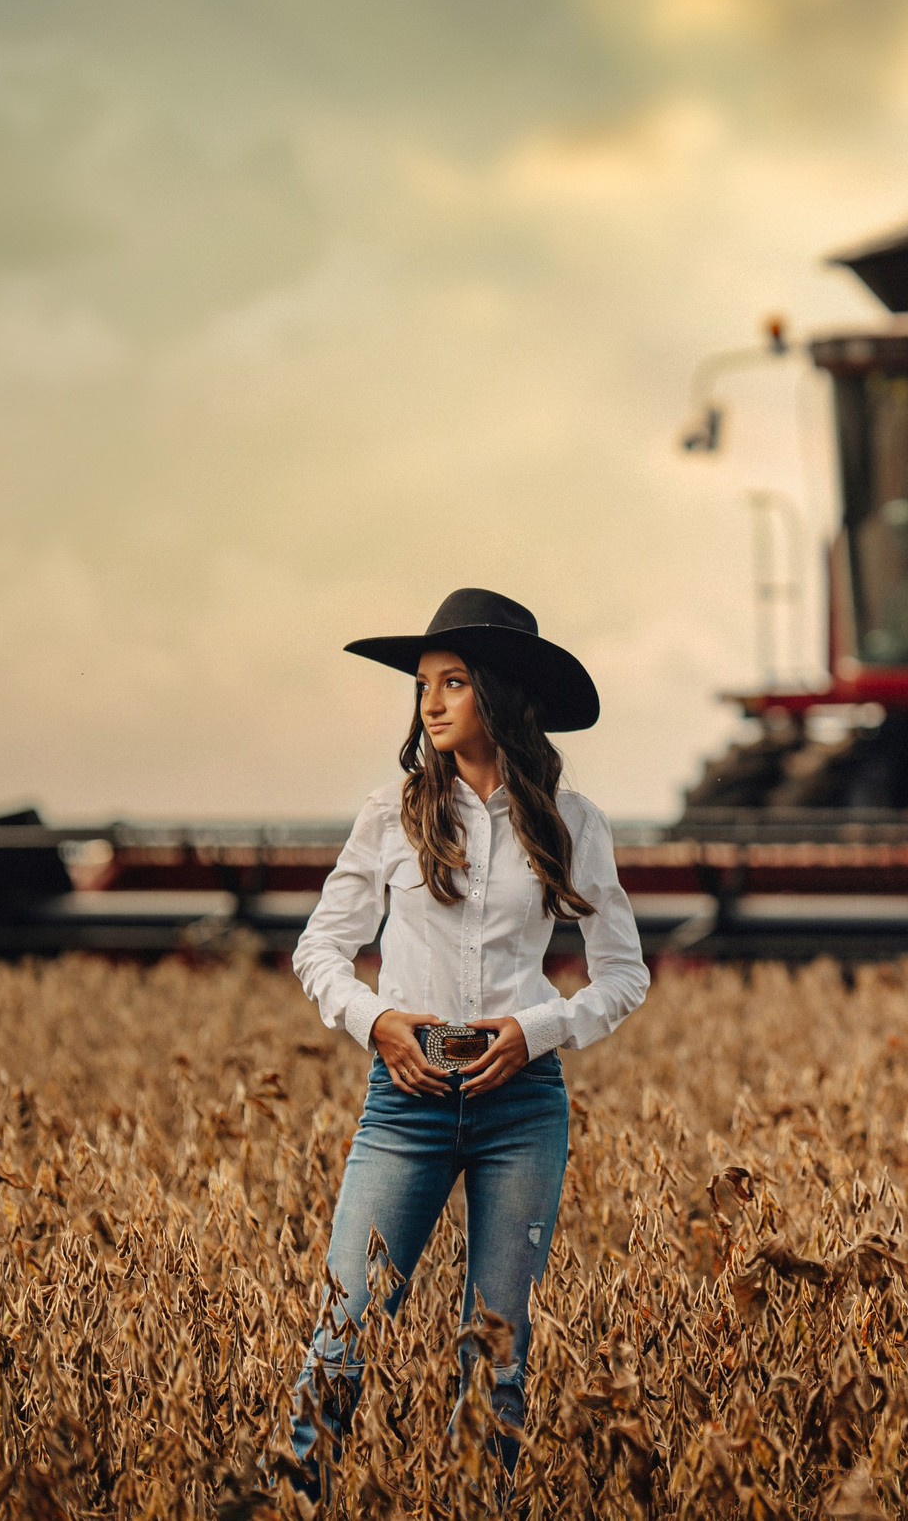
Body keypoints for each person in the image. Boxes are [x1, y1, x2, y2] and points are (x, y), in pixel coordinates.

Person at [276, 588, 648, 1494]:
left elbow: (624, 974)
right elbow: (318, 946)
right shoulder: (392, 812)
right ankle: (290, 1501)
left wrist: (539, 1028)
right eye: (421, 685)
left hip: (522, 1108)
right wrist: (376, 1020)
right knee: (344, 1329)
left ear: (499, 690)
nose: (430, 702)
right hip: (401, 1103)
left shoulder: (571, 820)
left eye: (451, 682)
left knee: (497, 1355)